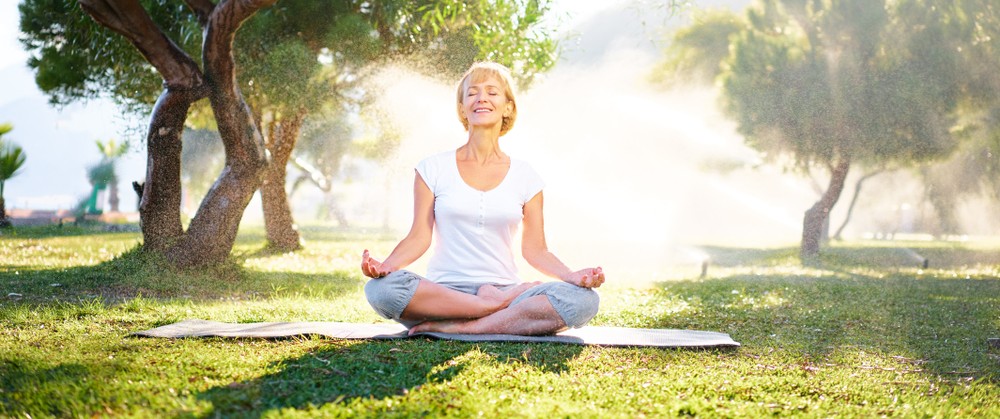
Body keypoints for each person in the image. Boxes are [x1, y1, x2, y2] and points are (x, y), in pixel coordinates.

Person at [361, 62, 603, 336]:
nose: (481, 98)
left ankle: (467, 327)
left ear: (508, 107)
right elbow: (419, 237)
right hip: (445, 295)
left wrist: (571, 277)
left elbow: (535, 250)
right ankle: (492, 311)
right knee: (381, 290)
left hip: (506, 289)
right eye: (472, 93)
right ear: (463, 107)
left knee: (584, 300)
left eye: (492, 92)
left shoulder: (526, 176)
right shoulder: (432, 168)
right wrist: (386, 267)